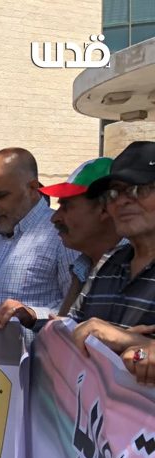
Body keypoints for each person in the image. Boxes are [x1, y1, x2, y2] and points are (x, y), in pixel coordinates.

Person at [0, 157, 118, 330]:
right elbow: (66, 332)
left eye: (66, 206)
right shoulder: (83, 267)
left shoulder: (129, 272)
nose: (55, 217)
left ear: (104, 209)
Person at [66, 142, 155, 355]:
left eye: (138, 189)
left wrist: (131, 343)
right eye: (113, 194)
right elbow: (72, 331)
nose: (122, 201)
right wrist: (32, 319)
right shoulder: (108, 262)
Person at [0, 148, 76, 318]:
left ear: (32, 188)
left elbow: (79, 311)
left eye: (0, 195)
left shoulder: (63, 236)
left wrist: (33, 314)